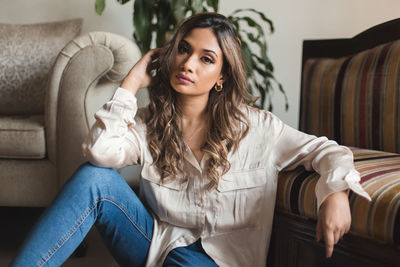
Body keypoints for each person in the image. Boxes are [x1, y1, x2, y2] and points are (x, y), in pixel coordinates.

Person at [11, 12, 370, 267]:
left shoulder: (258, 129)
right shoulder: (151, 125)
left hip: (220, 260)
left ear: (221, 77)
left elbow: (326, 150)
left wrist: (335, 192)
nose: (188, 64)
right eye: (183, 49)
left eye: (206, 58)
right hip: (154, 247)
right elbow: (99, 153)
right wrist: (131, 82)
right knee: (95, 179)